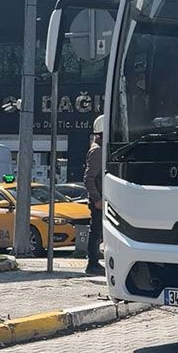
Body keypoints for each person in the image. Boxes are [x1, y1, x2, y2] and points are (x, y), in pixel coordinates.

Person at [82, 114, 105, 276]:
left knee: (99, 231)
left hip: (102, 197)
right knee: (96, 231)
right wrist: (97, 198)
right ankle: (92, 263)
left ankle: (95, 261)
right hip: (99, 199)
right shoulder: (97, 151)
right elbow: (89, 178)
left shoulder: (99, 149)